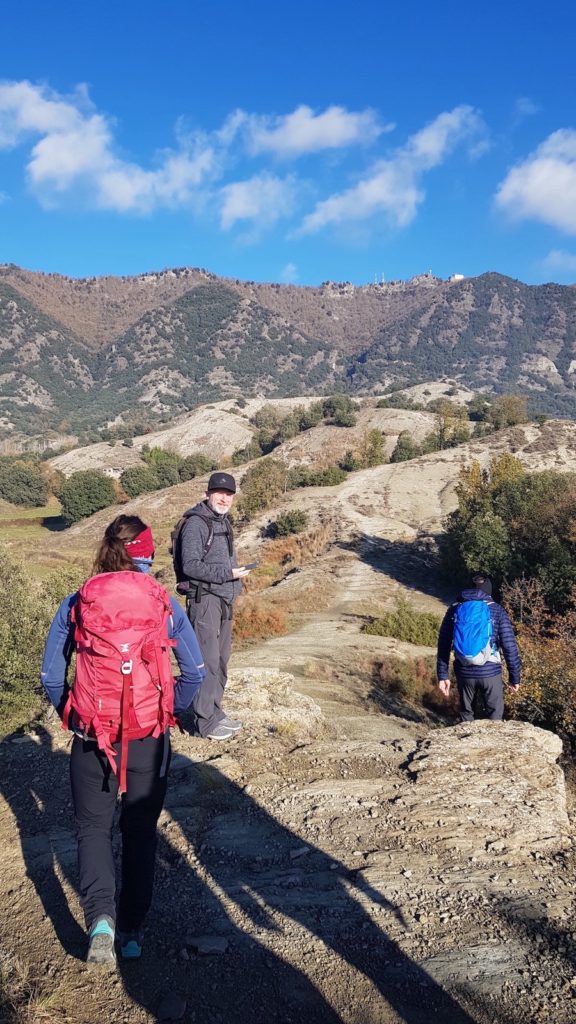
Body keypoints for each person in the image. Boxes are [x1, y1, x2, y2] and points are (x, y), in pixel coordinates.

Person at [40, 515, 206, 965]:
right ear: (147, 555)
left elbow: (50, 675)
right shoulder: (164, 604)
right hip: (148, 736)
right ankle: (131, 933)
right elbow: (195, 672)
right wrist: (170, 712)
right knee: (139, 832)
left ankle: (100, 923)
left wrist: (72, 716)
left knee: (93, 829)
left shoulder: (75, 603)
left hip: (93, 734)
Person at [175, 471, 250, 741]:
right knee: (206, 662)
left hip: (224, 599)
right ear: (208, 493)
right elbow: (190, 566)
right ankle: (204, 723)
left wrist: (234, 583)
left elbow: (227, 560)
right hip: (204, 599)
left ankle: (215, 713)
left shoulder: (224, 522)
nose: (224, 498)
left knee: (221, 660)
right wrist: (228, 576)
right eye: (219, 493)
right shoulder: (196, 523)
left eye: (229, 494)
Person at [436, 572, 521, 721]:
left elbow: (443, 643)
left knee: (466, 715)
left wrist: (443, 675)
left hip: (464, 672)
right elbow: (509, 646)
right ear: (488, 590)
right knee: (494, 716)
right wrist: (514, 677)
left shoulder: (455, 609)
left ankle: (467, 742)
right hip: (490, 673)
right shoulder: (497, 610)